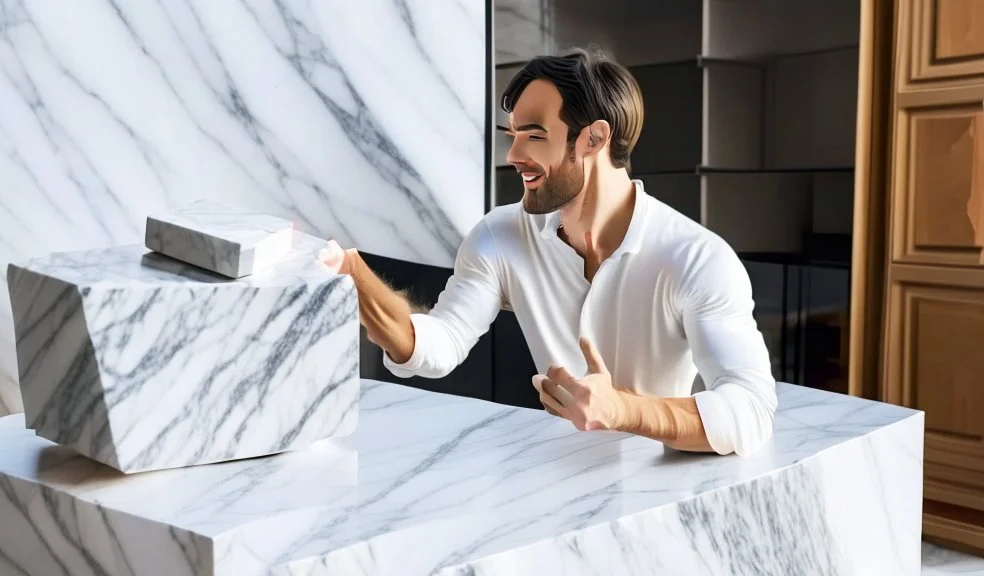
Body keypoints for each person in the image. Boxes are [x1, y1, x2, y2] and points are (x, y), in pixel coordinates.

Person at [318, 47, 777, 456]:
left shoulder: (696, 258)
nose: (513, 154)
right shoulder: (499, 235)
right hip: (554, 487)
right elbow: (437, 346)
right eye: (512, 134)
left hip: (665, 489)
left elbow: (751, 411)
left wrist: (621, 409)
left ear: (593, 139)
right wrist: (352, 274)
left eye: (534, 135)